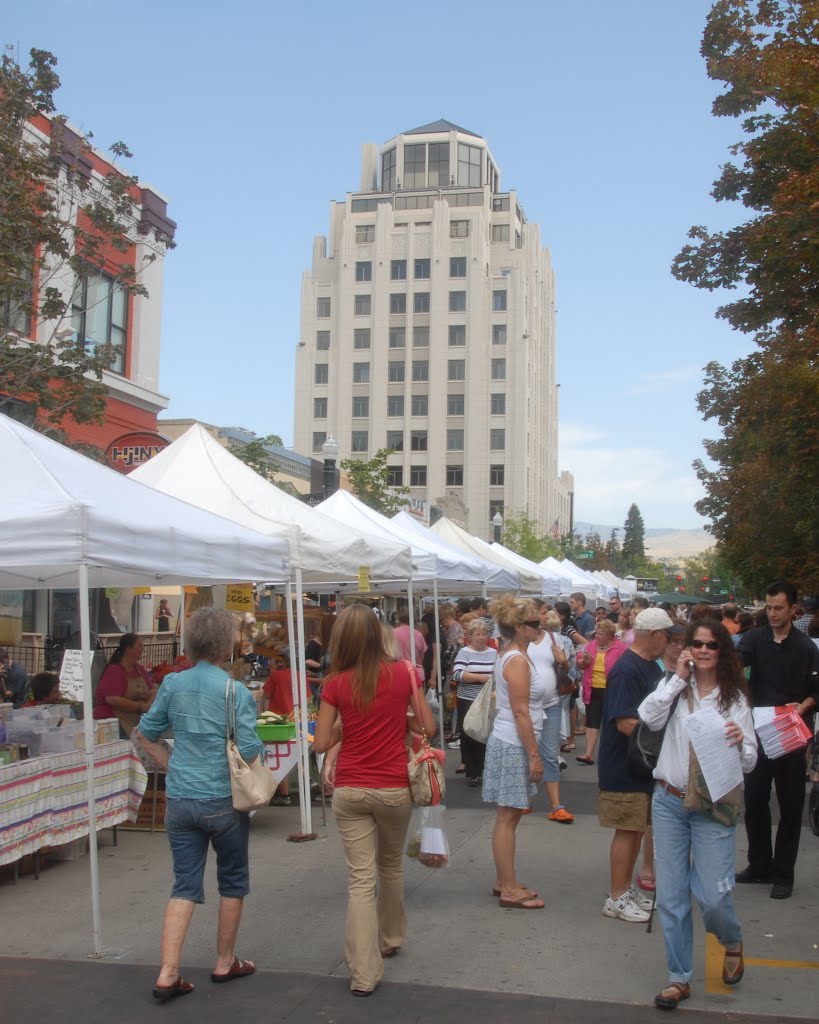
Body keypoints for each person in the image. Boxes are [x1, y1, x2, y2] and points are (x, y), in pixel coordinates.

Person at [134, 608, 264, 1002]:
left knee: (184, 884)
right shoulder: (234, 691)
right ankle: (225, 961)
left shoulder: (173, 684)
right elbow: (250, 746)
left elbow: (146, 733)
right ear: (227, 646)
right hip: (222, 797)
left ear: (190, 644)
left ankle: (169, 971)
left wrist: (169, 762)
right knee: (233, 879)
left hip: (180, 796)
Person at [314, 604, 436, 997]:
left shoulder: (334, 682)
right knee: (390, 865)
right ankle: (392, 937)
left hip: (350, 788)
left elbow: (320, 743)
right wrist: (399, 719)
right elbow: (428, 727)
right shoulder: (404, 673)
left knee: (360, 879)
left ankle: (363, 971)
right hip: (392, 787)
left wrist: (346, 725)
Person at [638, 620, 757, 1010]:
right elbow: (647, 717)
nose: (703, 650)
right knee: (672, 897)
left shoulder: (734, 698)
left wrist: (741, 743)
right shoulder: (673, 687)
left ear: (722, 652)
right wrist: (676, 678)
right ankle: (678, 978)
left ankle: (731, 938)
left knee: (713, 894)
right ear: (687, 649)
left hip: (712, 804)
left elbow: (752, 760)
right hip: (669, 801)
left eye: (711, 645)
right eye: (696, 644)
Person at [736, 580, 819, 898]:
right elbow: (736, 669)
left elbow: (816, 690)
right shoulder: (754, 639)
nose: (772, 613)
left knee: (790, 803)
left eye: (778, 608)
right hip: (758, 729)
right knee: (755, 799)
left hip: (792, 733)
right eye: (769, 607)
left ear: (793, 609)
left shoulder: (806, 647)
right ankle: (759, 865)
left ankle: (784, 874)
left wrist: (803, 706)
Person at [597, 607, 672, 923]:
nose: (669, 641)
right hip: (624, 764)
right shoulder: (628, 669)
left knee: (635, 828)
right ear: (654, 634)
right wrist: (664, 739)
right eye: (667, 634)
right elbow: (625, 722)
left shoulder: (646, 665)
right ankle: (616, 897)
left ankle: (624, 891)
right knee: (627, 830)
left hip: (639, 764)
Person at [482, 595, 545, 909]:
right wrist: (534, 754)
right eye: (534, 623)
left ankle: (504, 880)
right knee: (508, 816)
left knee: (509, 815)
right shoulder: (516, 659)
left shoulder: (513, 654)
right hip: (513, 742)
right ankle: (507, 887)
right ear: (519, 627)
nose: (539, 627)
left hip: (510, 739)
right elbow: (520, 711)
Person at [529, 610, 574, 823]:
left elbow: (566, 669)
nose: (539, 620)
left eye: (541, 617)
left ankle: (556, 806)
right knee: (526, 751)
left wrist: (564, 662)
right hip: (526, 707)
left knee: (549, 752)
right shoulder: (518, 642)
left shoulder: (554, 638)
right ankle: (523, 800)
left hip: (552, 703)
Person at [452, 618, 498, 786]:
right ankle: (472, 771)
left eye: (484, 634)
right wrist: (480, 678)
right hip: (468, 699)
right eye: (477, 634)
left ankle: (481, 768)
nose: (481, 637)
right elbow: (457, 674)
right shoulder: (465, 652)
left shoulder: (493, 653)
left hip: (487, 700)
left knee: (485, 732)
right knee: (470, 733)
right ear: (470, 636)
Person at [575, 619, 627, 765]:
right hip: (592, 689)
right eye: (596, 633)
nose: (597, 636)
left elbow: (625, 668)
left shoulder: (620, 648)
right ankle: (588, 754)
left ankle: (612, 753)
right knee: (592, 722)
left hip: (612, 690)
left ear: (610, 636)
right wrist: (583, 662)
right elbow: (579, 662)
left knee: (612, 722)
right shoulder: (590, 646)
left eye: (601, 634)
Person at [93, 633, 156, 737]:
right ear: (128, 648)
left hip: (136, 722)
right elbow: (112, 699)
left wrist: (147, 706)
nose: (143, 648)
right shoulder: (114, 670)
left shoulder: (139, 669)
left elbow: (152, 691)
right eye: (139, 645)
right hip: (112, 725)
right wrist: (140, 707)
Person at [392, 608, 427, 684]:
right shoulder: (418, 634)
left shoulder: (392, 633)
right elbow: (421, 657)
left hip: (398, 673)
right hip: (417, 672)